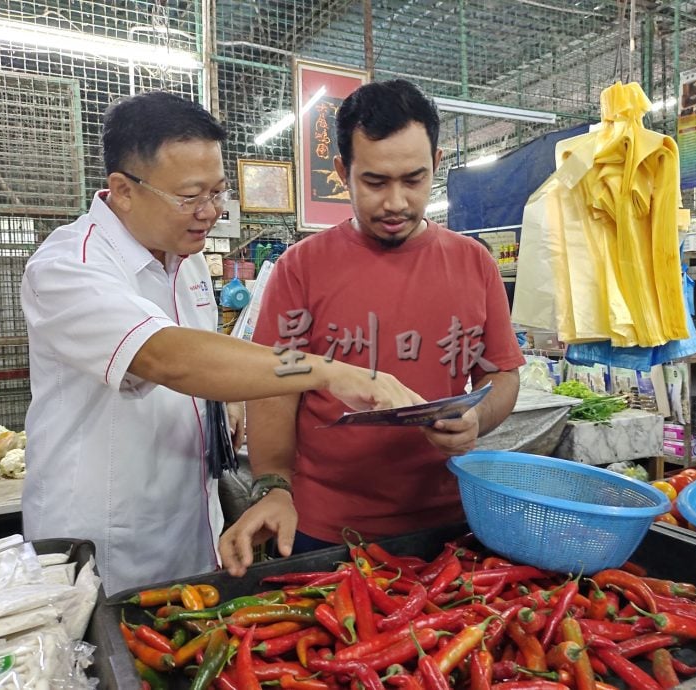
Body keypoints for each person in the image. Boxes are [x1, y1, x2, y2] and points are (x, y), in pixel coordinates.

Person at [20, 91, 423, 596]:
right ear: (123, 190)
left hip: (187, 517)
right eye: (190, 197)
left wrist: (225, 401)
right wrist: (330, 371)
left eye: (218, 192)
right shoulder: (68, 267)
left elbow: (203, 355)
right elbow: (166, 355)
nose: (209, 213)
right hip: (102, 536)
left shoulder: (183, 257)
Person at [220, 80, 524, 576]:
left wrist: (478, 418)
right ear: (343, 172)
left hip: (448, 519)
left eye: (414, 179)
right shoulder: (302, 268)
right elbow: (275, 384)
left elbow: (502, 375)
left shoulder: (475, 264)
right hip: (325, 525)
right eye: (375, 182)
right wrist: (273, 486)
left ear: (437, 163)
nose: (396, 202)